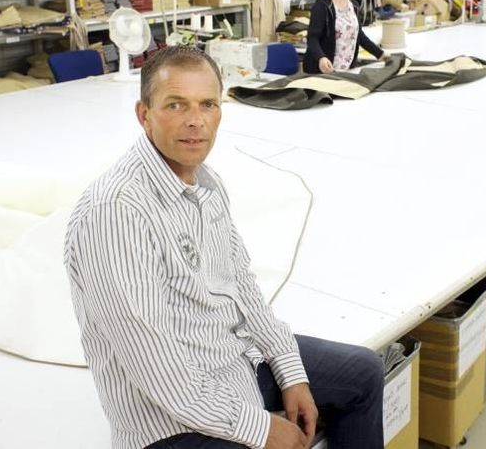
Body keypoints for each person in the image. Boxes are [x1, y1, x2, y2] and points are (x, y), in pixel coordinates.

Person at [64, 47, 385, 449]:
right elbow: (156, 365)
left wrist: (291, 371)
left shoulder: (207, 186)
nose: (195, 121)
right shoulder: (117, 212)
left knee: (364, 372)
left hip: (232, 366)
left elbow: (243, 288)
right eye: (176, 105)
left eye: (208, 104)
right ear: (144, 115)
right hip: (168, 423)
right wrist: (260, 427)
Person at [303, 0, 387, 74]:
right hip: (324, 70)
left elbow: (359, 36)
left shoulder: (354, 6)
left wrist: (380, 54)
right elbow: (312, 39)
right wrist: (321, 58)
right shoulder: (323, 6)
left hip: (347, 69)